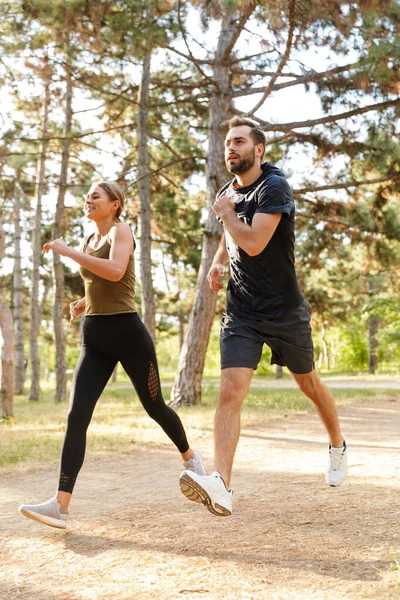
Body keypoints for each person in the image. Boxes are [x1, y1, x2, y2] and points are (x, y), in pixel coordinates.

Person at [179, 117, 347, 517]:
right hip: (242, 311)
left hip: (284, 310)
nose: (230, 149)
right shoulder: (226, 193)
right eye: (227, 144)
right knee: (230, 392)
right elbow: (230, 239)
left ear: (259, 149)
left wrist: (225, 214)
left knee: (307, 383)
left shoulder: (275, 187)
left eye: (239, 142)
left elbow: (253, 242)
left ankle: (337, 445)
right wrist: (218, 265)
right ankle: (221, 485)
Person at [19, 181, 205, 529]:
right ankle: (60, 505)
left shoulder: (122, 231)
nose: (88, 199)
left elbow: (117, 271)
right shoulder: (89, 240)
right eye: (87, 195)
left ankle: (191, 459)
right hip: (95, 337)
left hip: (128, 335)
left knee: (154, 406)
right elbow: (102, 284)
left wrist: (69, 252)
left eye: (96, 196)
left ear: (115, 204)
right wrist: (85, 302)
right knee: (77, 416)